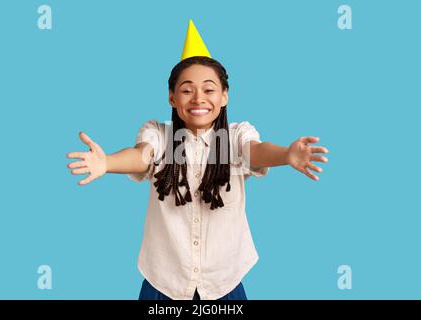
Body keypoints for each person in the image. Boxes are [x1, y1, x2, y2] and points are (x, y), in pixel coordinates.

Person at [66, 20, 329, 300]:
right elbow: (142, 156)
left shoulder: (236, 136)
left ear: (225, 96)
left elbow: (256, 151)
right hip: (163, 282)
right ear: (172, 98)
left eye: (209, 89)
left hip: (223, 282)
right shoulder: (158, 134)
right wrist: (107, 162)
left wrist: (286, 155)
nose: (198, 98)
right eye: (187, 89)